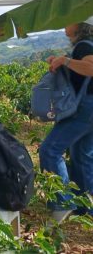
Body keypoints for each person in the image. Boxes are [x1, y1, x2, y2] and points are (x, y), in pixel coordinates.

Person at [39, 20, 93, 222]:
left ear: (80, 25)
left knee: (50, 150)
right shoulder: (87, 45)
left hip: (85, 108)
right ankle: (84, 206)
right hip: (90, 108)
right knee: (82, 155)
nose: (65, 25)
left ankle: (62, 204)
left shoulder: (84, 45)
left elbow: (91, 67)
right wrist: (63, 62)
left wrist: (66, 62)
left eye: (70, 20)